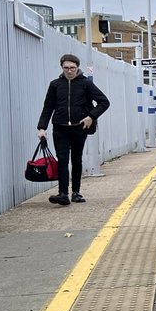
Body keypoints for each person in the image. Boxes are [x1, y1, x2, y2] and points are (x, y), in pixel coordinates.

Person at [37, 53, 110, 205]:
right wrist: (42, 127)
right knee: (62, 160)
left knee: (76, 159)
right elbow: (48, 107)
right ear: (62, 68)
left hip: (79, 128)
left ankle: (76, 192)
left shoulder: (86, 84)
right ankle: (63, 194)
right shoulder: (55, 84)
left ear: (77, 68)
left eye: (72, 68)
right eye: (66, 68)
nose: (69, 71)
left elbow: (104, 102)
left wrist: (91, 117)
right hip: (60, 128)